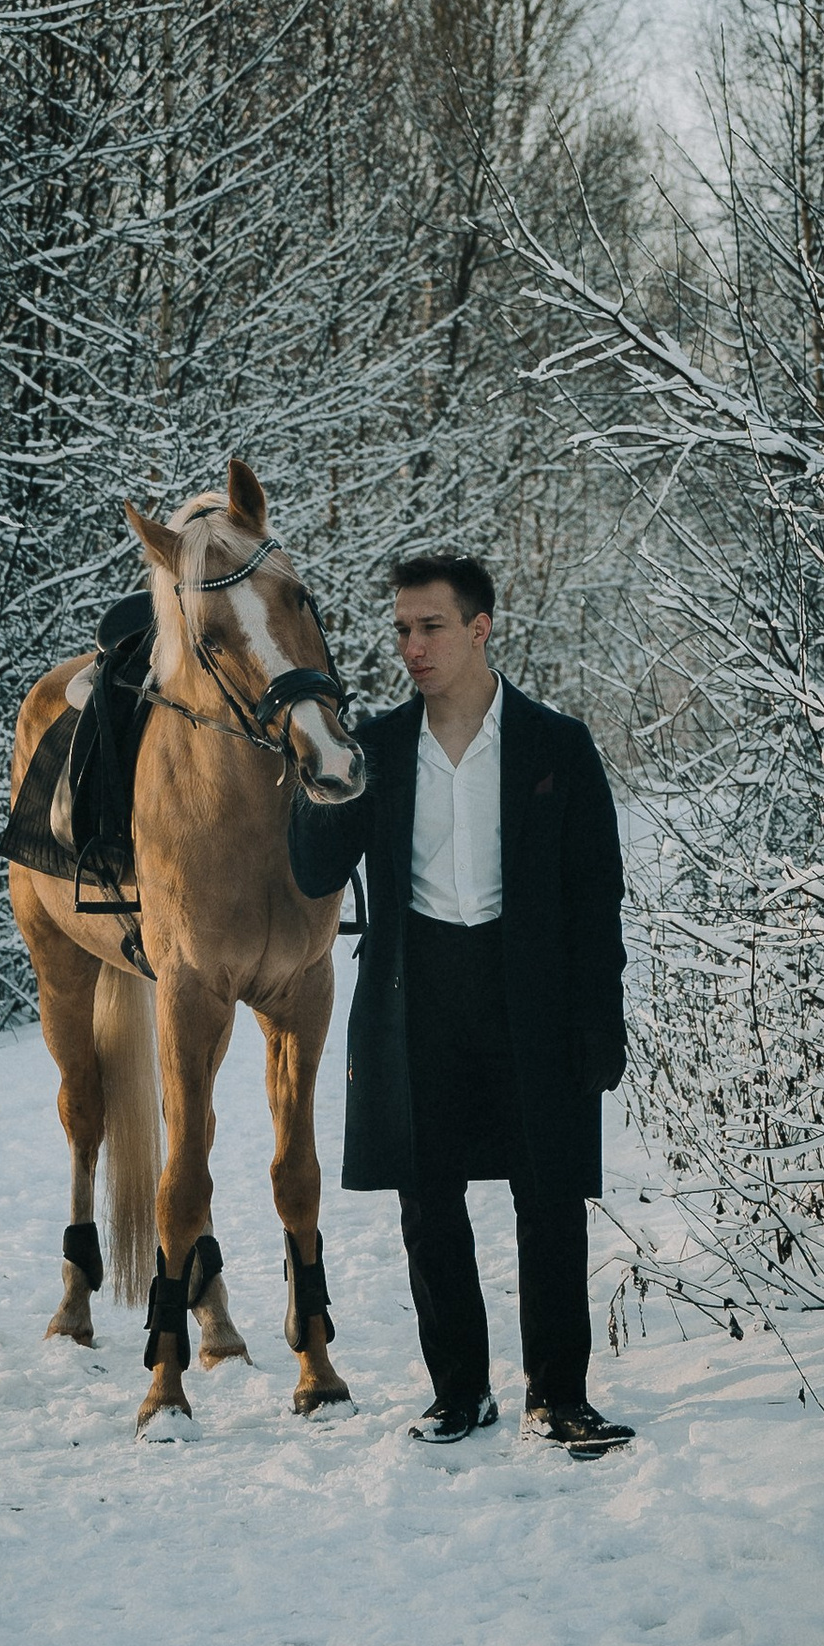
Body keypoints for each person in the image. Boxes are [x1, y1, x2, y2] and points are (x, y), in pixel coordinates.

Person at [287, 552, 635, 1454]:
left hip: (533, 994)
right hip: (419, 995)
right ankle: (460, 1392)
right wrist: (324, 774)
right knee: (427, 1198)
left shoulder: (557, 744)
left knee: (549, 1196)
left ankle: (557, 1395)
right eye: (401, 628)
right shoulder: (382, 747)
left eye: (429, 626)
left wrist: (602, 1014)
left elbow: (598, 892)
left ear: (480, 628)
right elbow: (316, 871)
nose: (411, 645)